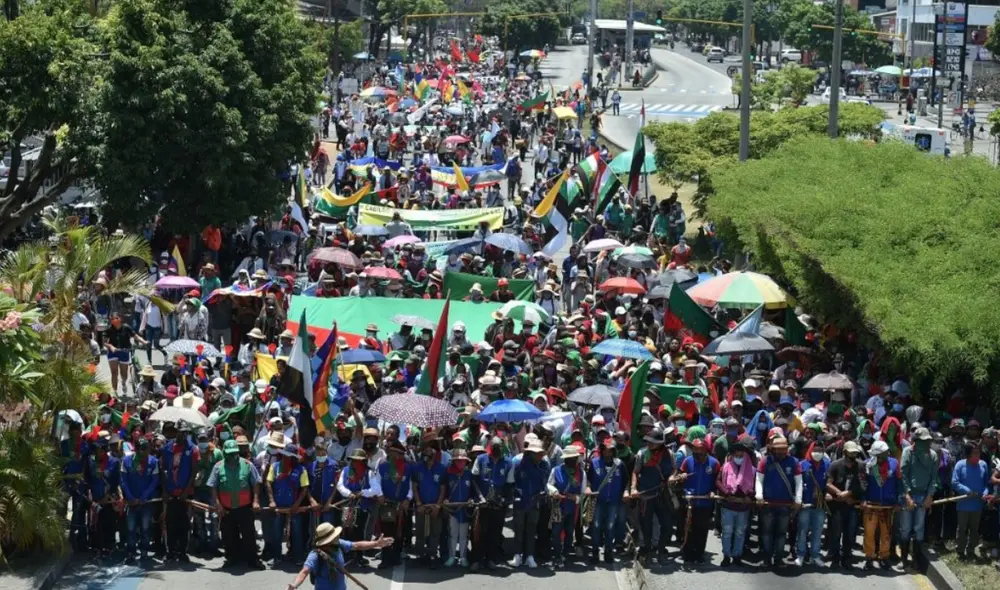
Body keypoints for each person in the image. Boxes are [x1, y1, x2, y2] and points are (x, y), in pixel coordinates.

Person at [209, 439, 265, 570]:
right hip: (226, 509)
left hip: (244, 508)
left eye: (234, 453)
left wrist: (256, 501)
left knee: (249, 535)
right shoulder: (218, 466)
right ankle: (231, 559)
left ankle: (252, 560)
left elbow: (256, 483)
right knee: (228, 536)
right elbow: (213, 486)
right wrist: (218, 505)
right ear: (224, 453)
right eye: (229, 453)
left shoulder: (247, 465)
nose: (232, 456)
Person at [285, 523, 393, 590]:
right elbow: (304, 571)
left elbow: (356, 545)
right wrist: (294, 585)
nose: (337, 536)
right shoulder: (315, 555)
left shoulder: (338, 544)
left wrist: (376, 544)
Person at [755, 436, 802, 568]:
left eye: (783, 449)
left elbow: (799, 482)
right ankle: (767, 557)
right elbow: (759, 479)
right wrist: (759, 495)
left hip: (785, 504)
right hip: (768, 503)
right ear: (772, 449)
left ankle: (778, 558)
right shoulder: (765, 461)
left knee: (782, 533)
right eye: (778, 450)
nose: (781, 452)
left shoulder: (794, 462)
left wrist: (798, 499)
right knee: (767, 532)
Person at [899, 426, 939, 569]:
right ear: (916, 440)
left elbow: (934, 478)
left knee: (919, 529)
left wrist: (930, 496)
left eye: (928, 440)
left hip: (923, 495)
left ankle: (915, 559)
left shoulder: (933, 455)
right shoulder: (907, 452)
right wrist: (907, 495)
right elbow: (903, 475)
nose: (926, 443)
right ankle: (903, 559)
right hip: (908, 495)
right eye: (923, 440)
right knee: (905, 528)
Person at [508, 437, 551, 568]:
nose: (539, 456)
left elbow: (546, 483)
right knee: (519, 529)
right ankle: (517, 555)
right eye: (536, 453)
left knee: (531, 530)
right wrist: (514, 495)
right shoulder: (517, 461)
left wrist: (542, 494)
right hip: (520, 501)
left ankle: (530, 556)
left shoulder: (544, 465)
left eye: (540, 453)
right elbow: (511, 481)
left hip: (535, 502)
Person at [674, 438, 719, 564]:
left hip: (705, 502)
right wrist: (681, 477)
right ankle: (687, 553)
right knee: (688, 527)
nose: (698, 452)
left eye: (700, 449)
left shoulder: (714, 463)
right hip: (689, 501)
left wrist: (713, 492)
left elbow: (717, 481)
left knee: (702, 529)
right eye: (695, 449)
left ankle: (699, 554)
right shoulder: (687, 461)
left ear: (706, 450)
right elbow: (678, 476)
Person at [631, 430, 673, 563]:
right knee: (646, 525)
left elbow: (674, 470)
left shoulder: (669, 454)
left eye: (652, 442)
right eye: (648, 441)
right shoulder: (642, 454)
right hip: (646, 495)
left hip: (663, 495)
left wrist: (672, 477)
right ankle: (646, 550)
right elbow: (635, 472)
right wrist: (633, 488)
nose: (649, 444)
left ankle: (661, 550)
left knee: (667, 525)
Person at [161, 422, 200, 562]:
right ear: (176, 431)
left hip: (185, 494)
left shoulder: (193, 449)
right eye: (180, 432)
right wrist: (165, 491)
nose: (183, 435)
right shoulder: (167, 448)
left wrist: (186, 491)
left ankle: (183, 552)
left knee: (184, 524)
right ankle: (170, 551)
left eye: (186, 432)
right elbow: (163, 470)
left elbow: (194, 470)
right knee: (170, 523)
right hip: (171, 492)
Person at [716, 435, 755, 566]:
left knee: (740, 532)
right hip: (728, 505)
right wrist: (726, 493)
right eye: (736, 453)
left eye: (741, 454)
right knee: (727, 532)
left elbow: (755, 485)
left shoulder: (752, 469)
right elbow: (718, 481)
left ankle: (737, 555)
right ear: (732, 454)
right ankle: (726, 555)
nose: (739, 456)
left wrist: (749, 494)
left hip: (743, 507)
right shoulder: (725, 467)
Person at [862, 440, 900, 570]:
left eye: (879, 455)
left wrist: (898, 501)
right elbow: (863, 485)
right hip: (871, 504)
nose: (877, 458)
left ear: (885, 453)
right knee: (869, 532)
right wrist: (863, 499)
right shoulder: (868, 464)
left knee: (886, 533)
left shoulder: (894, 463)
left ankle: (884, 557)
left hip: (888, 505)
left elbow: (899, 483)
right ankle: (869, 557)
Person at [120, 437, 160, 563]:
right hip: (132, 503)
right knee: (131, 529)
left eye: (147, 449)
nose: (147, 451)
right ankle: (131, 552)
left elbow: (154, 481)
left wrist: (144, 496)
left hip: (146, 502)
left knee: (145, 528)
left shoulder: (153, 462)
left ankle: (144, 551)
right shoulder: (126, 461)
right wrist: (130, 498)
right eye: (144, 449)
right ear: (137, 449)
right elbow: (123, 481)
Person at [951, 441, 992, 561]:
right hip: (964, 504)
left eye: (978, 453)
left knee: (974, 529)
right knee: (962, 528)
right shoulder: (960, 465)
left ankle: (970, 550)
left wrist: (984, 493)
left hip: (977, 504)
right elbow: (954, 482)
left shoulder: (983, 465)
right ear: (968, 454)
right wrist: (966, 490)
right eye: (974, 453)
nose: (977, 455)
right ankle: (960, 551)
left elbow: (986, 483)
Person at [548, 444, 587, 567]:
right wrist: (554, 492)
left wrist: (575, 498)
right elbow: (549, 485)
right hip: (558, 506)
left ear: (576, 459)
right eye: (568, 458)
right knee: (556, 532)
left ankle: (564, 554)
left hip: (572, 508)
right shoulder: (556, 470)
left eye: (572, 458)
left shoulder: (582, 473)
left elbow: (583, 492)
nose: (570, 461)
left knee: (570, 532)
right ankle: (557, 555)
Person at [587, 438, 625, 564]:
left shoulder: (619, 464)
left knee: (610, 526)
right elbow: (589, 480)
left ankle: (608, 551)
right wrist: (588, 489)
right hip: (598, 500)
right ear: (602, 450)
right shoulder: (594, 463)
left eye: (611, 450)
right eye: (607, 449)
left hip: (614, 501)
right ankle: (595, 552)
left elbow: (626, 481)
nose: (609, 452)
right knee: (596, 525)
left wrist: (625, 493)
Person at [796, 441, 830, 567]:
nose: (818, 453)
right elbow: (797, 484)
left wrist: (828, 494)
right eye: (815, 450)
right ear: (810, 450)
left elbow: (829, 483)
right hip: (805, 503)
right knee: (803, 530)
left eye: (820, 450)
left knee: (817, 531)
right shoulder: (802, 465)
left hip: (820, 505)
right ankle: (801, 554)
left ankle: (815, 555)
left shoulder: (827, 464)